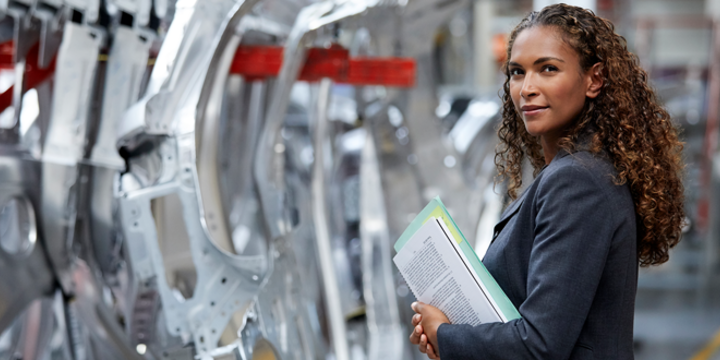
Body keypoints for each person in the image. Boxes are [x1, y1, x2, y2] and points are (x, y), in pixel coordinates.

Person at [408, 4, 685, 359]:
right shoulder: (575, 172)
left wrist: (445, 336)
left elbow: (540, 345)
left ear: (594, 79)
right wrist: (451, 335)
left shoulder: (577, 182)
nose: (527, 88)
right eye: (517, 72)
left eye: (548, 69)